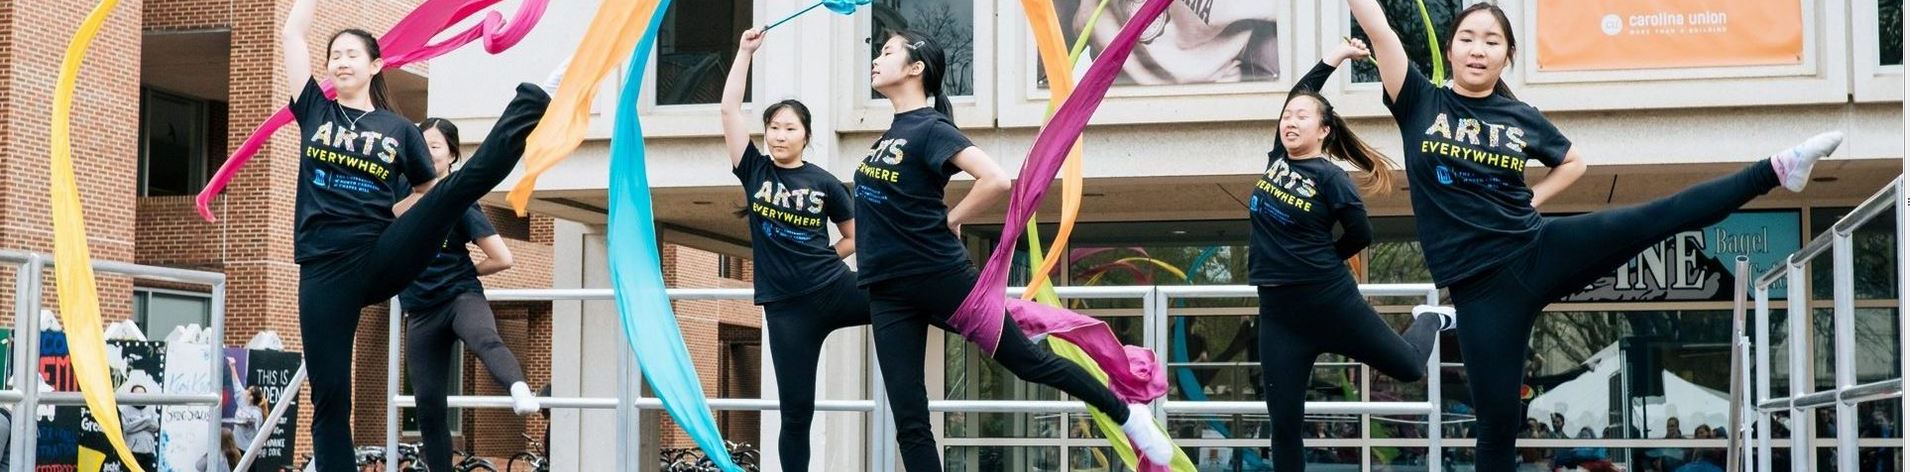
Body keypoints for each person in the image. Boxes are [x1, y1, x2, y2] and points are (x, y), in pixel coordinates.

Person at [1343, 1, 1843, 469]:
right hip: (1481, 292)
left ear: (1507, 57)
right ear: (1449, 49)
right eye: (1468, 38)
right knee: (1496, 426)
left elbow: (1574, 162)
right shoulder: (1418, 101)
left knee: (1656, 217)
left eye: (1492, 41)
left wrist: (1533, 201)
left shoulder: (1520, 118)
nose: (1479, 49)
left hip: (1535, 248)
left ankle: (1779, 168)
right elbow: (1379, 27)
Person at [855, 30, 1175, 470]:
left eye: (887, 51)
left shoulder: (930, 128)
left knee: (1029, 363)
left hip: (938, 275)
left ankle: (1127, 414)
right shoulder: (892, 133)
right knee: (908, 416)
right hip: (885, 287)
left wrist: (950, 219)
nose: (876, 58)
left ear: (916, 68)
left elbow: (996, 180)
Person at [278, 1, 562, 468]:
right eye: (335, 55)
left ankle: (534, 100)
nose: (342, 62)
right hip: (322, 268)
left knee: (458, 188)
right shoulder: (314, 110)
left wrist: (408, 219)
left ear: (376, 65)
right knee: (330, 398)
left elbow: (432, 192)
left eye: (352, 54)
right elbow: (292, 34)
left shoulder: (399, 129)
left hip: (377, 254)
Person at [1250, 38, 1452, 472]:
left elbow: (1362, 232)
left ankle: (1432, 317)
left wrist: (1324, 259)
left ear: (1323, 130)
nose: (1290, 121)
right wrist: (1335, 57)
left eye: (1302, 117)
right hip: (1279, 316)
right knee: (1284, 426)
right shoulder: (1276, 161)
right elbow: (1300, 91)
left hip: (1330, 303)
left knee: (1409, 367)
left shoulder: (1331, 178)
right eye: (1287, 116)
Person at [718, 28, 868, 472]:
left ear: (806, 135)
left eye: (789, 128)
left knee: (910, 296)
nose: (779, 135)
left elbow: (856, 237)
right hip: (786, 311)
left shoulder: (824, 182)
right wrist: (744, 52)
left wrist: (825, 259)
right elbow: (728, 109)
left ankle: (998, 321)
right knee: (796, 411)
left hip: (835, 289)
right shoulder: (754, 169)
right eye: (773, 128)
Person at [400, 117, 541, 472]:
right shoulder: (397, 192)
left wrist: (466, 273)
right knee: (429, 406)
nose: (424, 154)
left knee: (485, 340)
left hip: (460, 297)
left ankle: (519, 389)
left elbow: (502, 258)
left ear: (451, 157)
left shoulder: (459, 199)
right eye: (418, 146)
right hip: (420, 311)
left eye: (433, 147)